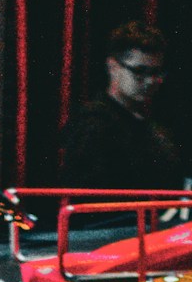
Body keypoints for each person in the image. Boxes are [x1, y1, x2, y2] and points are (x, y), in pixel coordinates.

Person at [58, 20, 182, 190]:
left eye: (155, 73)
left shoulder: (154, 129)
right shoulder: (92, 123)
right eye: (139, 71)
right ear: (112, 67)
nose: (150, 81)